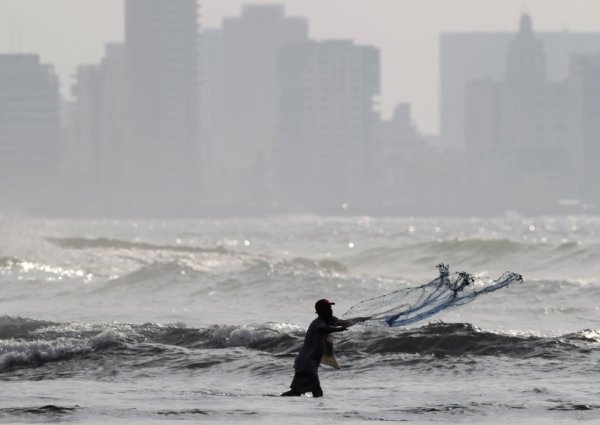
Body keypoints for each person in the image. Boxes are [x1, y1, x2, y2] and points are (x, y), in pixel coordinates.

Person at [281, 299, 352, 397]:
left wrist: (362, 320)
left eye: (330, 308)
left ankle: (277, 399)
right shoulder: (317, 323)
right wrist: (338, 329)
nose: (330, 310)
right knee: (317, 392)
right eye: (327, 309)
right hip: (306, 363)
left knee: (297, 392)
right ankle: (319, 410)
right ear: (319, 312)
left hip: (308, 364)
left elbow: (343, 322)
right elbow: (324, 329)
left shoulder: (331, 320)